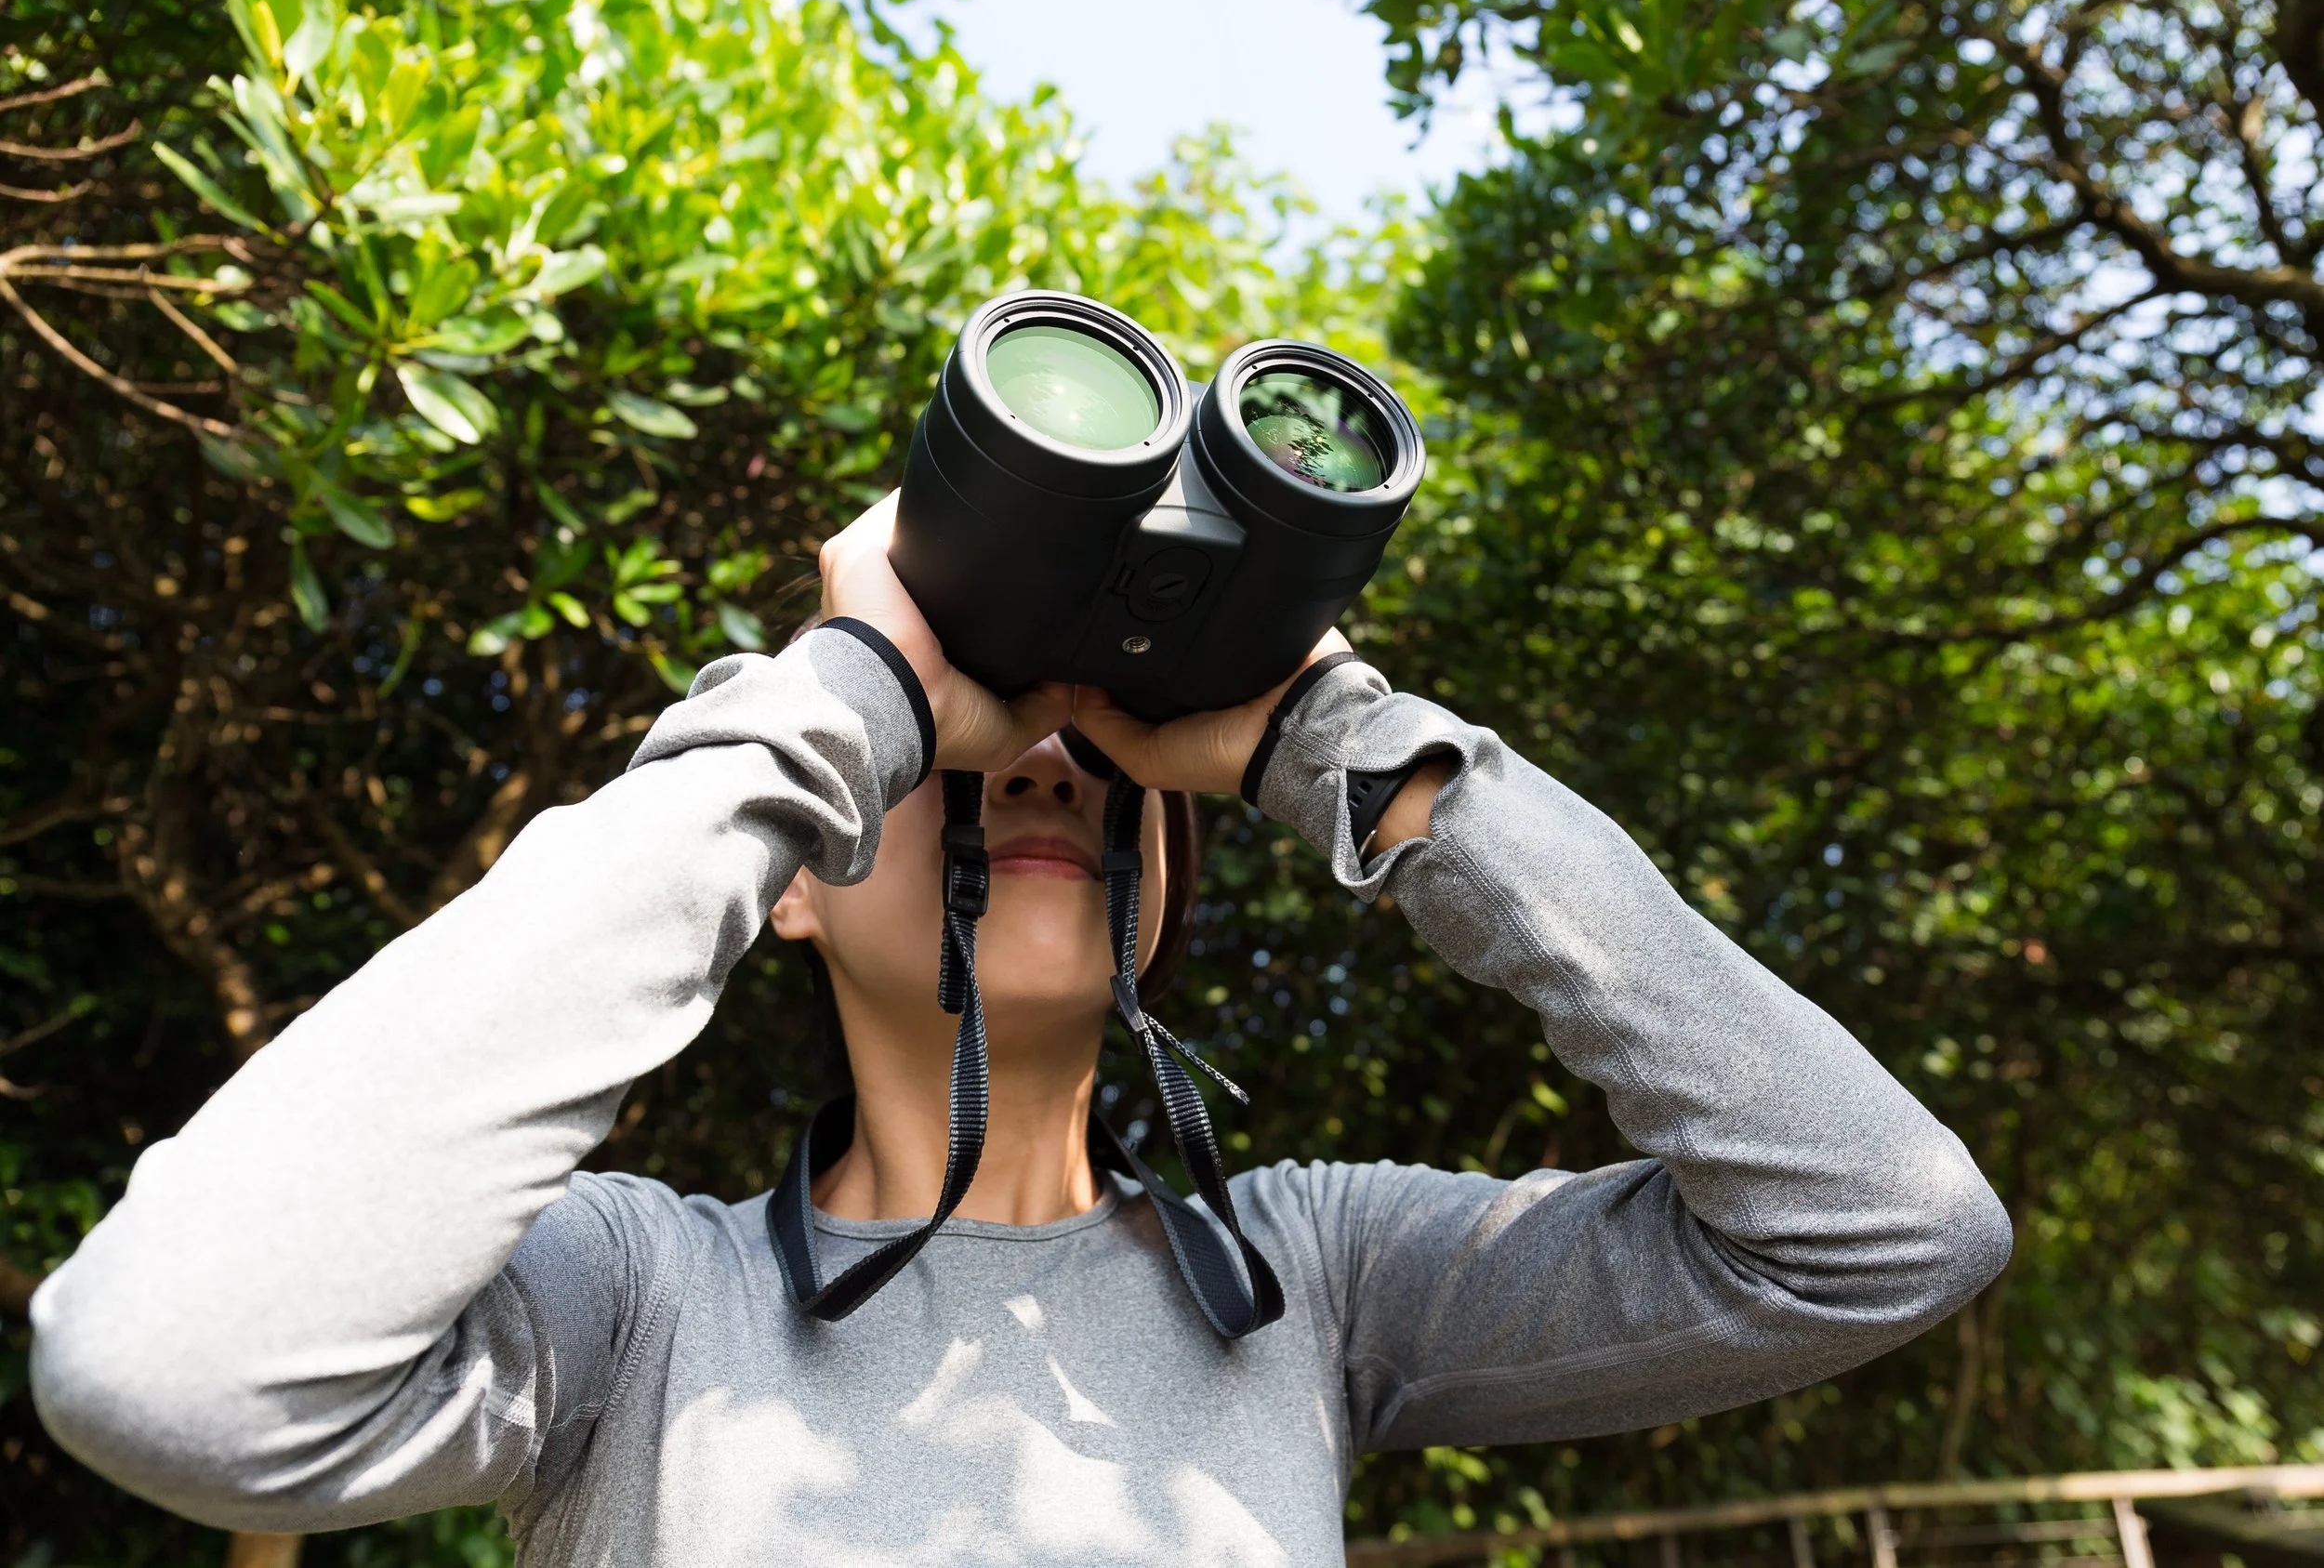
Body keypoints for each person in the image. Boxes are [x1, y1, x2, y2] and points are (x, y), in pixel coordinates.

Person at [31, 494, 2013, 1566]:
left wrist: (1358, 755)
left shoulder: (1315, 1281)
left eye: (1092, 768)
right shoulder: (637, 1303)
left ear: (1176, 881)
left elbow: (1880, 1228)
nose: (1030, 778)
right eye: (956, 762)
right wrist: (838, 701)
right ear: (785, 871)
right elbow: (171, 1368)